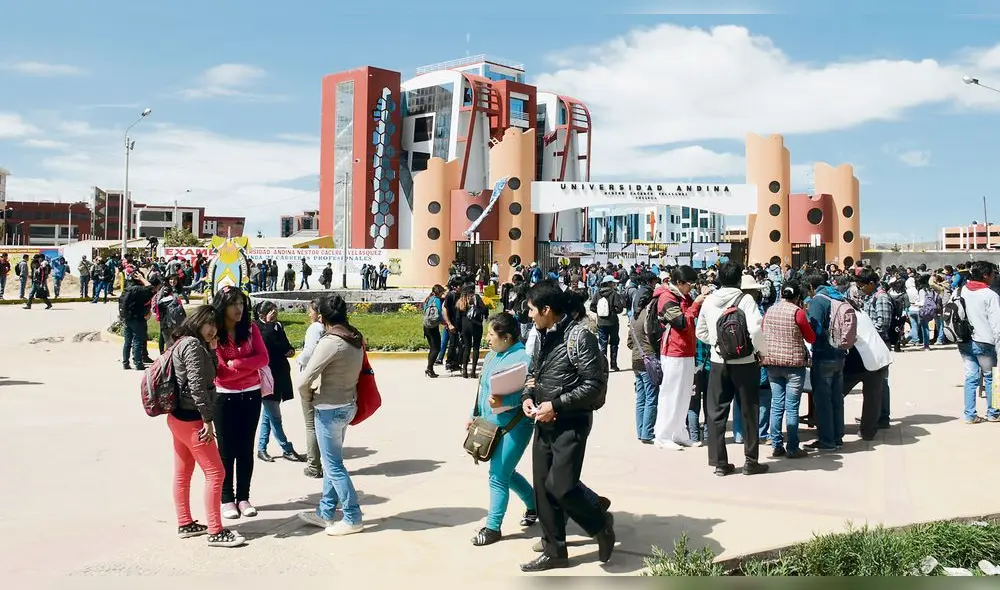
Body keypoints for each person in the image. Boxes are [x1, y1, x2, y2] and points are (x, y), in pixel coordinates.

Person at [518, 280, 615, 572]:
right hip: (543, 422)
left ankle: (599, 524)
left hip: (570, 423)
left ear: (547, 309)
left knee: (560, 486)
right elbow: (534, 374)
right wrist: (527, 397)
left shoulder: (579, 337)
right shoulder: (541, 335)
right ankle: (555, 551)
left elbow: (594, 385)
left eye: (532, 309)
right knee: (543, 490)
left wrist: (556, 405)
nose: (529, 315)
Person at [166, 305, 246, 548]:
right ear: (198, 321)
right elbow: (197, 385)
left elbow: (210, 373)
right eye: (209, 324)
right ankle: (215, 530)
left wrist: (211, 349)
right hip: (192, 420)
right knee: (216, 473)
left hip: (178, 418)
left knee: (183, 472)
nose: (213, 330)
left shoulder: (186, 341)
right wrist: (208, 420)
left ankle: (185, 523)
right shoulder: (192, 345)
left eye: (216, 326)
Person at [296, 294, 366, 536]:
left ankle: (352, 517)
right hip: (347, 405)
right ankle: (325, 512)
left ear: (322, 317)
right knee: (331, 461)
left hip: (329, 409)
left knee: (333, 465)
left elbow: (304, 379)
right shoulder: (354, 336)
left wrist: (307, 396)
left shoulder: (331, 342)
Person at [467, 313, 537, 546]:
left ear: (506, 337)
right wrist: (474, 416)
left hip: (515, 426)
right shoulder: (492, 356)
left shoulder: (523, 359)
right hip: (490, 425)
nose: (487, 338)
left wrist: (505, 402)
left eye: (491, 334)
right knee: (507, 472)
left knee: (497, 476)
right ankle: (535, 505)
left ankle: (493, 528)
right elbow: (483, 389)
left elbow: (529, 394)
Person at [695, 263, 769, 476]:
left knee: (716, 412)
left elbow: (700, 331)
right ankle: (751, 461)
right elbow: (755, 329)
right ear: (739, 280)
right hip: (745, 362)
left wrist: (717, 344)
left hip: (719, 362)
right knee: (749, 410)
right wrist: (760, 351)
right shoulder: (746, 300)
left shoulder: (709, 301)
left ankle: (720, 463)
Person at [212, 286, 269, 519]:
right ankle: (227, 498)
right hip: (224, 396)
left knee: (245, 449)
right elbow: (221, 372)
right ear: (222, 306)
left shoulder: (251, 328)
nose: (238, 308)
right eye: (232, 304)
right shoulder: (214, 331)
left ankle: (243, 497)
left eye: (241, 303)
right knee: (226, 450)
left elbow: (263, 358)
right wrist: (247, 365)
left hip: (251, 395)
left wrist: (236, 364)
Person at [651, 265, 705, 450]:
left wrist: (698, 300)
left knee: (684, 394)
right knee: (670, 394)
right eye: (690, 284)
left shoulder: (684, 296)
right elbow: (681, 322)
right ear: (680, 283)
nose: (691, 287)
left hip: (687, 350)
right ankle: (663, 435)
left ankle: (679, 433)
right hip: (673, 351)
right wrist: (696, 304)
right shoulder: (666, 297)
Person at [761, 280, 815, 459]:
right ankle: (792, 447)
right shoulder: (797, 313)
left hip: (773, 363)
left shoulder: (770, 311)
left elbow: (763, 331)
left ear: (781, 293)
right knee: (791, 408)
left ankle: (777, 445)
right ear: (798, 296)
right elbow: (810, 337)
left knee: (777, 405)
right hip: (794, 365)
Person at [254, 301, 307, 463]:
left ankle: (261, 449)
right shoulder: (257, 328)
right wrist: (270, 325)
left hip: (280, 375)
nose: (275, 315)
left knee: (268, 416)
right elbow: (265, 345)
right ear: (263, 314)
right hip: (267, 378)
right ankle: (287, 449)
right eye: (272, 312)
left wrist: (290, 350)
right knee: (275, 417)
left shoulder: (277, 326)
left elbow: (284, 344)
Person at [804, 271, 849, 451]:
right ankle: (837, 437)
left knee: (823, 401)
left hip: (823, 354)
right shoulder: (837, 296)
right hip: (840, 353)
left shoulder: (818, 301)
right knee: (837, 399)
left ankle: (827, 440)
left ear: (811, 286)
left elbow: (814, 330)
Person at [957, 261, 1000, 423]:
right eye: (993, 273)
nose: (995, 276)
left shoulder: (963, 290)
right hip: (985, 342)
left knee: (970, 377)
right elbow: (997, 325)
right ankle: (994, 412)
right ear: (985, 275)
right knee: (992, 377)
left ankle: (970, 414)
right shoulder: (990, 295)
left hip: (965, 341)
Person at [297, 299, 325, 478]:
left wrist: (299, 360)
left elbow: (308, 353)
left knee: (311, 425)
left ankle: (314, 465)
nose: (309, 314)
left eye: (311, 311)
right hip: (326, 382)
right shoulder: (331, 328)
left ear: (318, 313)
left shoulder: (315, 328)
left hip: (312, 380)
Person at [119, 273, 155, 369]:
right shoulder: (138, 289)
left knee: (127, 342)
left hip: (128, 319)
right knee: (137, 340)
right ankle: (138, 363)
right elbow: (151, 288)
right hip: (137, 319)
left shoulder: (127, 289)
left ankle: (125, 363)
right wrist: (142, 278)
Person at [590, 275, 624, 371]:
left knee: (602, 344)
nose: (614, 284)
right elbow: (620, 308)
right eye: (613, 283)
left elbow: (592, 307)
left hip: (601, 322)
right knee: (614, 343)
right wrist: (613, 312)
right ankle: (613, 364)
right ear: (609, 283)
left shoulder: (597, 293)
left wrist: (599, 312)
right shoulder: (614, 294)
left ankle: (603, 366)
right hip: (613, 322)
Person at [457, 286, 488, 379]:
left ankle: (465, 371)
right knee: (476, 348)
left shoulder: (461, 300)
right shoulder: (476, 298)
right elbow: (484, 309)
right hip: (476, 325)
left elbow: (458, 317)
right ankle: (473, 372)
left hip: (465, 326)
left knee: (467, 347)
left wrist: (460, 329)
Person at [423, 285, 445, 378]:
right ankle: (429, 368)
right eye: (442, 292)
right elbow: (439, 313)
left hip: (426, 326)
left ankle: (429, 368)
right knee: (436, 349)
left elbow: (424, 310)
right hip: (433, 327)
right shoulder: (437, 300)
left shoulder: (428, 299)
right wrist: (444, 322)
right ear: (439, 292)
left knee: (432, 348)